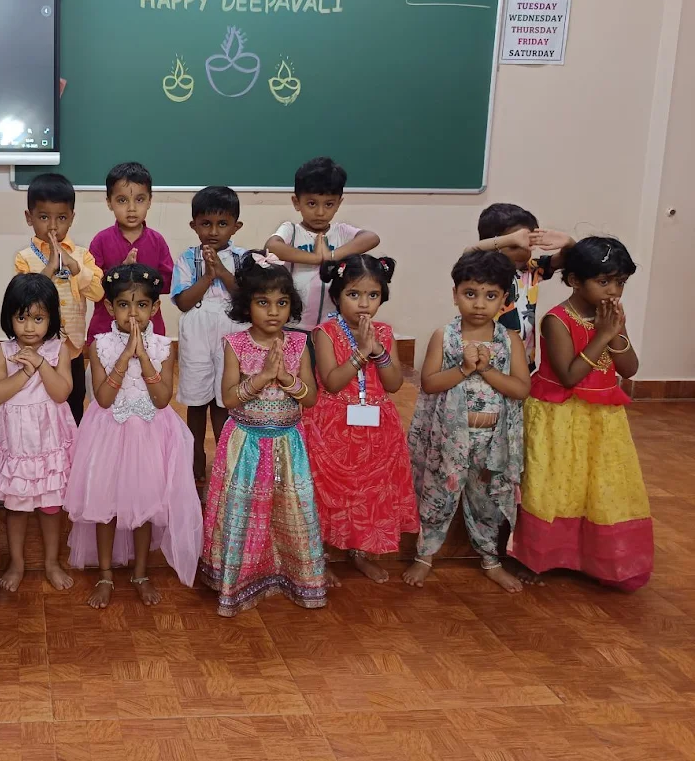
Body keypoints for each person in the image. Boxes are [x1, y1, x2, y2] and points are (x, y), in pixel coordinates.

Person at [511, 237, 651, 590]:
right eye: (603, 282)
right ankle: (539, 557)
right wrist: (603, 335)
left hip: (602, 417)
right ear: (575, 280)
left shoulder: (611, 316)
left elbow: (629, 368)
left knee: (597, 485)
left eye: (620, 282)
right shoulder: (556, 320)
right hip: (560, 415)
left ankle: (592, 557)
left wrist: (614, 331)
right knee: (554, 484)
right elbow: (569, 376)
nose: (613, 291)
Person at [64, 264, 203, 610]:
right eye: (124, 304)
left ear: (155, 308)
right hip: (108, 433)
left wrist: (143, 355)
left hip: (151, 434)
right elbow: (105, 399)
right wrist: (126, 357)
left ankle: (141, 573)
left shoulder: (162, 347)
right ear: (110, 308)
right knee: (105, 506)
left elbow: (161, 399)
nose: (133, 313)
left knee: (145, 505)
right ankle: (106, 574)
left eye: (142, 305)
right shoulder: (100, 346)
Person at [200, 253, 326, 617]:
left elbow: (312, 398)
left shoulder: (299, 345)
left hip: (288, 444)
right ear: (246, 305)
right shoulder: (234, 344)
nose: (273, 311)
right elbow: (226, 398)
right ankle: (237, 579)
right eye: (263, 302)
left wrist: (286, 378)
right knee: (244, 510)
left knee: (290, 509)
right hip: (246, 444)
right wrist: (260, 378)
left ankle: (290, 574)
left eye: (282, 303)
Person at [404, 250, 530, 593]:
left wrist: (486, 369)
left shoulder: (509, 341)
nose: (478, 304)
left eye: (490, 296)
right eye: (470, 294)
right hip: (449, 437)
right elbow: (429, 383)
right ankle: (425, 555)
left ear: (504, 299)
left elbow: (520, 389)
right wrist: (463, 368)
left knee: (485, 500)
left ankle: (491, 559)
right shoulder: (444, 336)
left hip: (492, 441)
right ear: (455, 293)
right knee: (438, 495)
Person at [304, 255, 416, 585]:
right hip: (334, 425)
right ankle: (319, 557)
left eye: (373, 295)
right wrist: (360, 353)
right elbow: (333, 381)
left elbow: (394, 384)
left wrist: (379, 351)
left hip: (376, 428)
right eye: (354, 295)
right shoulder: (325, 333)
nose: (364, 304)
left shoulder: (384, 332)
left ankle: (359, 551)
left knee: (367, 492)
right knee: (328, 492)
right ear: (337, 295)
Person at [0, 273, 76, 593]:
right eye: (22, 318)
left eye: (38, 318)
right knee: (16, 507)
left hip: (48, 440)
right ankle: (17, 563)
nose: (30, 327)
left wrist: (41, 364)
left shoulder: (59, 349)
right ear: (10, 317)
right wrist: (25, 370)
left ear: (51, 318)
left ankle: (51, 561)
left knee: (51, 506)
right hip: (16, 441)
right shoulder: (3, 351)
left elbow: (62, 392)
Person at [172, 186, 247, 486]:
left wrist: (222, 272)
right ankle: (196, 457)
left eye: (222, 224)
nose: (214, 231)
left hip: (232, 332)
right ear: (194, 225)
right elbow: (184, 302)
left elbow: (244, 299)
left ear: (236, 226)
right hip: (197, 334)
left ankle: (224, 457)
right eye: (206, 223)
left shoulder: (244, 259)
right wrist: (207, 275)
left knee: (224, 399)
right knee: (196, 398)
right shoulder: (187, 259)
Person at [15, 173, 104, 423]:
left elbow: (98, 293)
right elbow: (25, 299)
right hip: (37, 348)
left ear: (72, 218)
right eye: (43, 217)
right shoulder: (24, 258)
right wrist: (49, 270)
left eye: (61, 218)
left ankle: (72, 452)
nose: (53, 226)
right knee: (39, 403)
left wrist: (75, 267)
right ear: (29, 217)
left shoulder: (83, 256)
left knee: (74, 402)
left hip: (73, 349)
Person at [264, 157, 380, 332]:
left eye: (329, 204)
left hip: (331, 327)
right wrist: (316, 258)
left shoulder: (341, 232)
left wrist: (332, 256)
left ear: (339, 204)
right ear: (297, 202)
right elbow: (272, 246)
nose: (320, 212)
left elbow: (372, 238)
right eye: (311, 203)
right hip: (292, 325)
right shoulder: (291, 231)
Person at [468, 203, 574, 372]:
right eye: (514, 246)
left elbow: (569, 259)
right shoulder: (484, 271)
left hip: (523, 361)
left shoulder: (531, 270)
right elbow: (470, 252)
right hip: (487, 362)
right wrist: (508, 239)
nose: (523, 252)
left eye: (528, 246)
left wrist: (569, 243)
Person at [87, 162, 173, 347]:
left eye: (140, 199)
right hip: (106, 328)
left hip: (150, 328)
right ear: (109, 202)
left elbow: (167, 284)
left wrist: (140, 275)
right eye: (122, 200)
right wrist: (120, 272)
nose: (131, 208)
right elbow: (92, 288)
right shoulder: (100, 241)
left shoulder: (157, 241)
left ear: (150, 200)